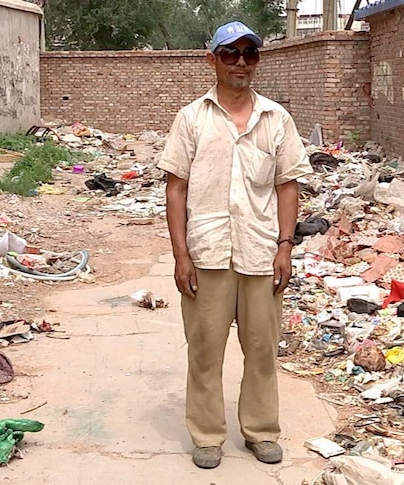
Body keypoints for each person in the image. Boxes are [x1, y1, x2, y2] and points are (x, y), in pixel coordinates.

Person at [157, 21, 313, 469]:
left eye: (249, 53)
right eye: (230, 53)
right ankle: (207, 435)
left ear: (258, 60)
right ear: (213, 60)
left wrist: (285, 246)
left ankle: (261, 431)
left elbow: (287, 186)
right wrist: (180, 254)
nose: (240, 62)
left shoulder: (276, 119)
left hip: (262, 251)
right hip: (207, 252)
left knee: (263, 347)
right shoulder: (192, 118)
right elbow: (176, 189)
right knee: (205, 348)